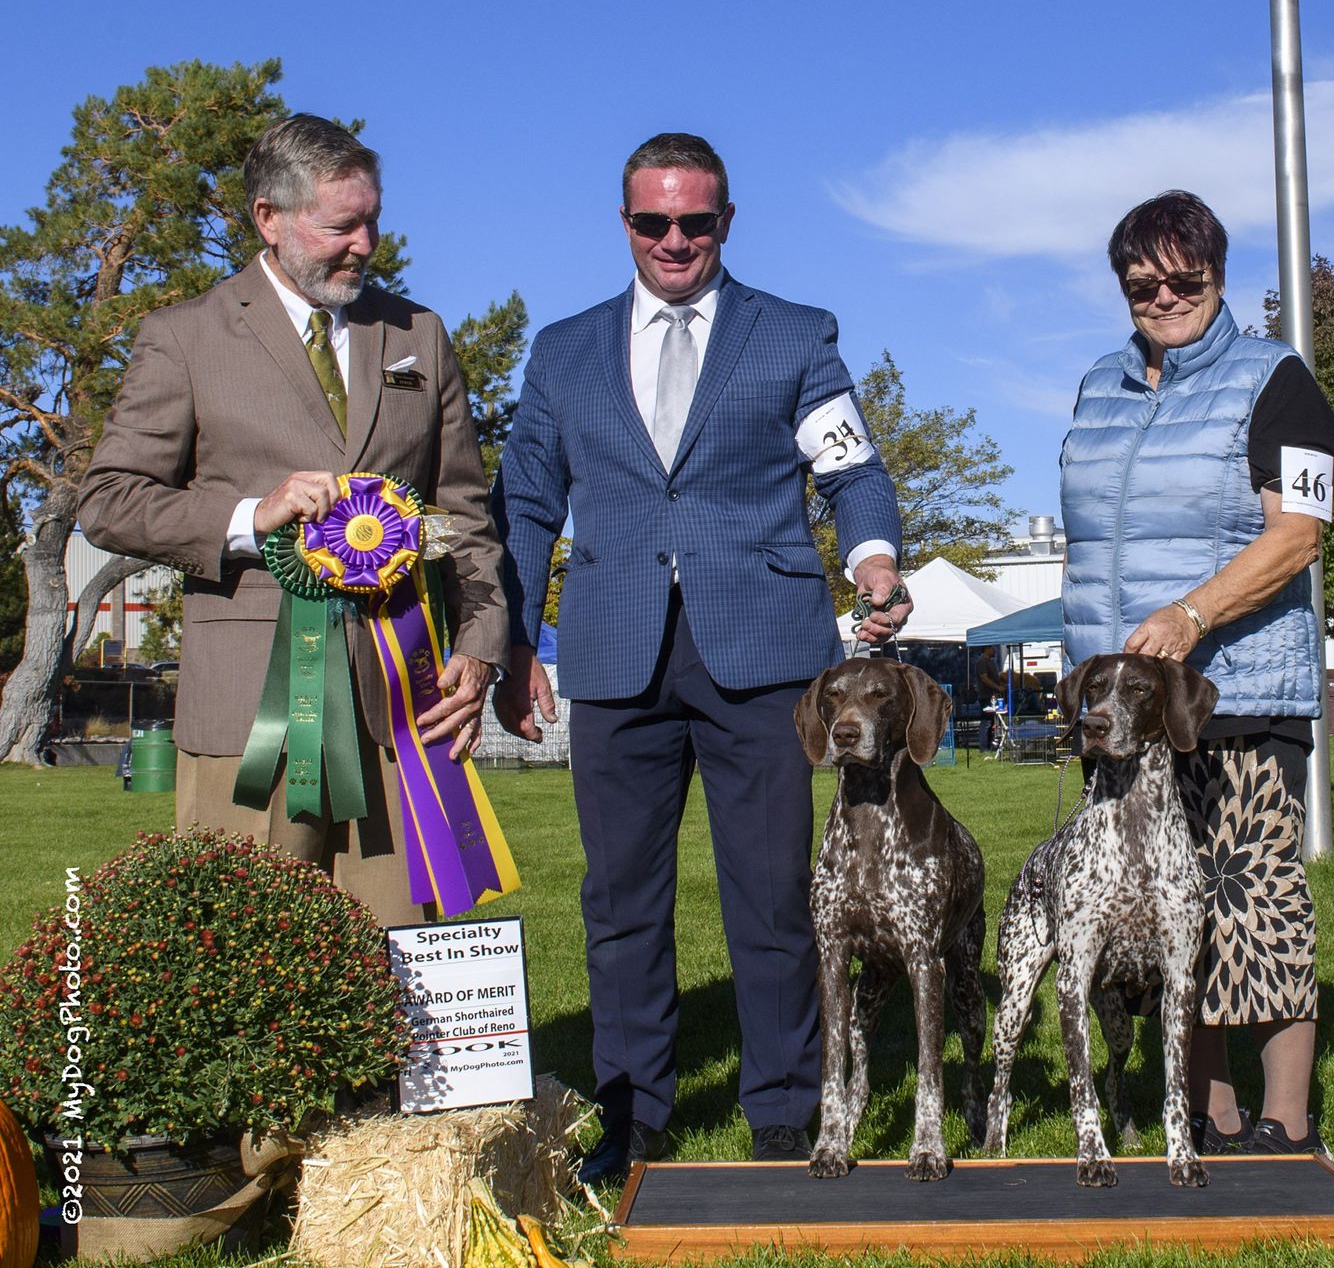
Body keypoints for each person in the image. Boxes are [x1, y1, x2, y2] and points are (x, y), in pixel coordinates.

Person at [493, 133, 909, 1182]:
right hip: (612, 648)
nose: (674, 239)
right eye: (653, 221)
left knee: (771, 892)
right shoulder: (562, 351)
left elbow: (854, 474)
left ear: (726, 220)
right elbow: (527, 503)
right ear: (624, 223)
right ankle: (630, 1112)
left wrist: (872, 559)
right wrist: (510, 636)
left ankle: (784, 1107)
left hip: (763, 655)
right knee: (619, 899)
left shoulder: (794, 335)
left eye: (694, 221)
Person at [78, 114, 508, 928]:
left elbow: (461, 514)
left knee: (399, 963)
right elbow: (109, 499)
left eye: (372, 220)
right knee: (247, 957)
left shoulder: (418, 335)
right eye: (341, 226)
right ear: (268, 218)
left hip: (401, 711)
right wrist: (252, 516)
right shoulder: (184, 337)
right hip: (250, 720)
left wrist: (480, 646)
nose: (366, 244)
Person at [1058, 190, 1334, 1155]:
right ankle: (1205, 1115)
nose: (1166, 297)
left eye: (1187, 278)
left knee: (1250, 900)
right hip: (1124, 712)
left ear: (1219, 276)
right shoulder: (1097, 388)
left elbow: (1297, 537)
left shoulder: (1277, 381)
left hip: (1241, 696)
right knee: (1165, 913)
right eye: (1144, 284)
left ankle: (1286, 1122)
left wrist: (1192, 615)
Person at [975, 644, 1007, 749]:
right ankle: (984, 746)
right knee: (986, 722)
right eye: (992, 649)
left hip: (992, 696)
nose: (994, 651)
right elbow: (984, 678)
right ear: (987, 649)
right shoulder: (982, 662)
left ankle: (990, 744)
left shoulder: (990, 662)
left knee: (992, 722)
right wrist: (997, 687)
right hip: (986, 696)